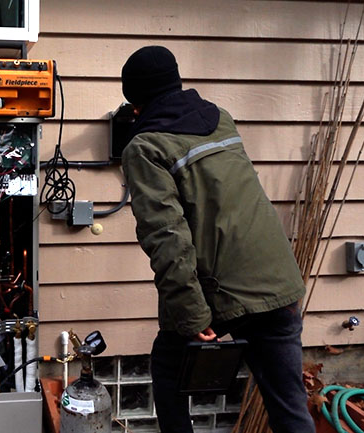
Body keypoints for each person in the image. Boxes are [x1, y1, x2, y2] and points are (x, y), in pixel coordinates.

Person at [119, 46, 315, 433]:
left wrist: (192, 317)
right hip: (279, 282)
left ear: (135, 103)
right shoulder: (220, 119)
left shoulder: (144, 148)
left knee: (168, 369)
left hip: (222, 288)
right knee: (290, 408)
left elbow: (167, 239)